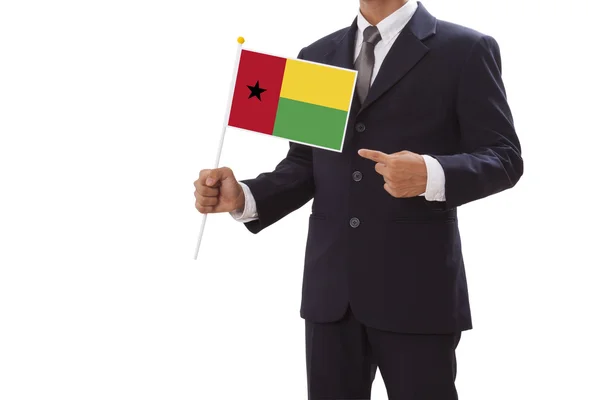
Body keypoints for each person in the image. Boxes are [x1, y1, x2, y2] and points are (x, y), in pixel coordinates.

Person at [193, 0, 523, 398]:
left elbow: (504, 158)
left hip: (417, 290)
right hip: (331, 292)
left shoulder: (465, 49)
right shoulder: (317, 56)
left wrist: (431, 173)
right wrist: (244, 195)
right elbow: (304, 165)